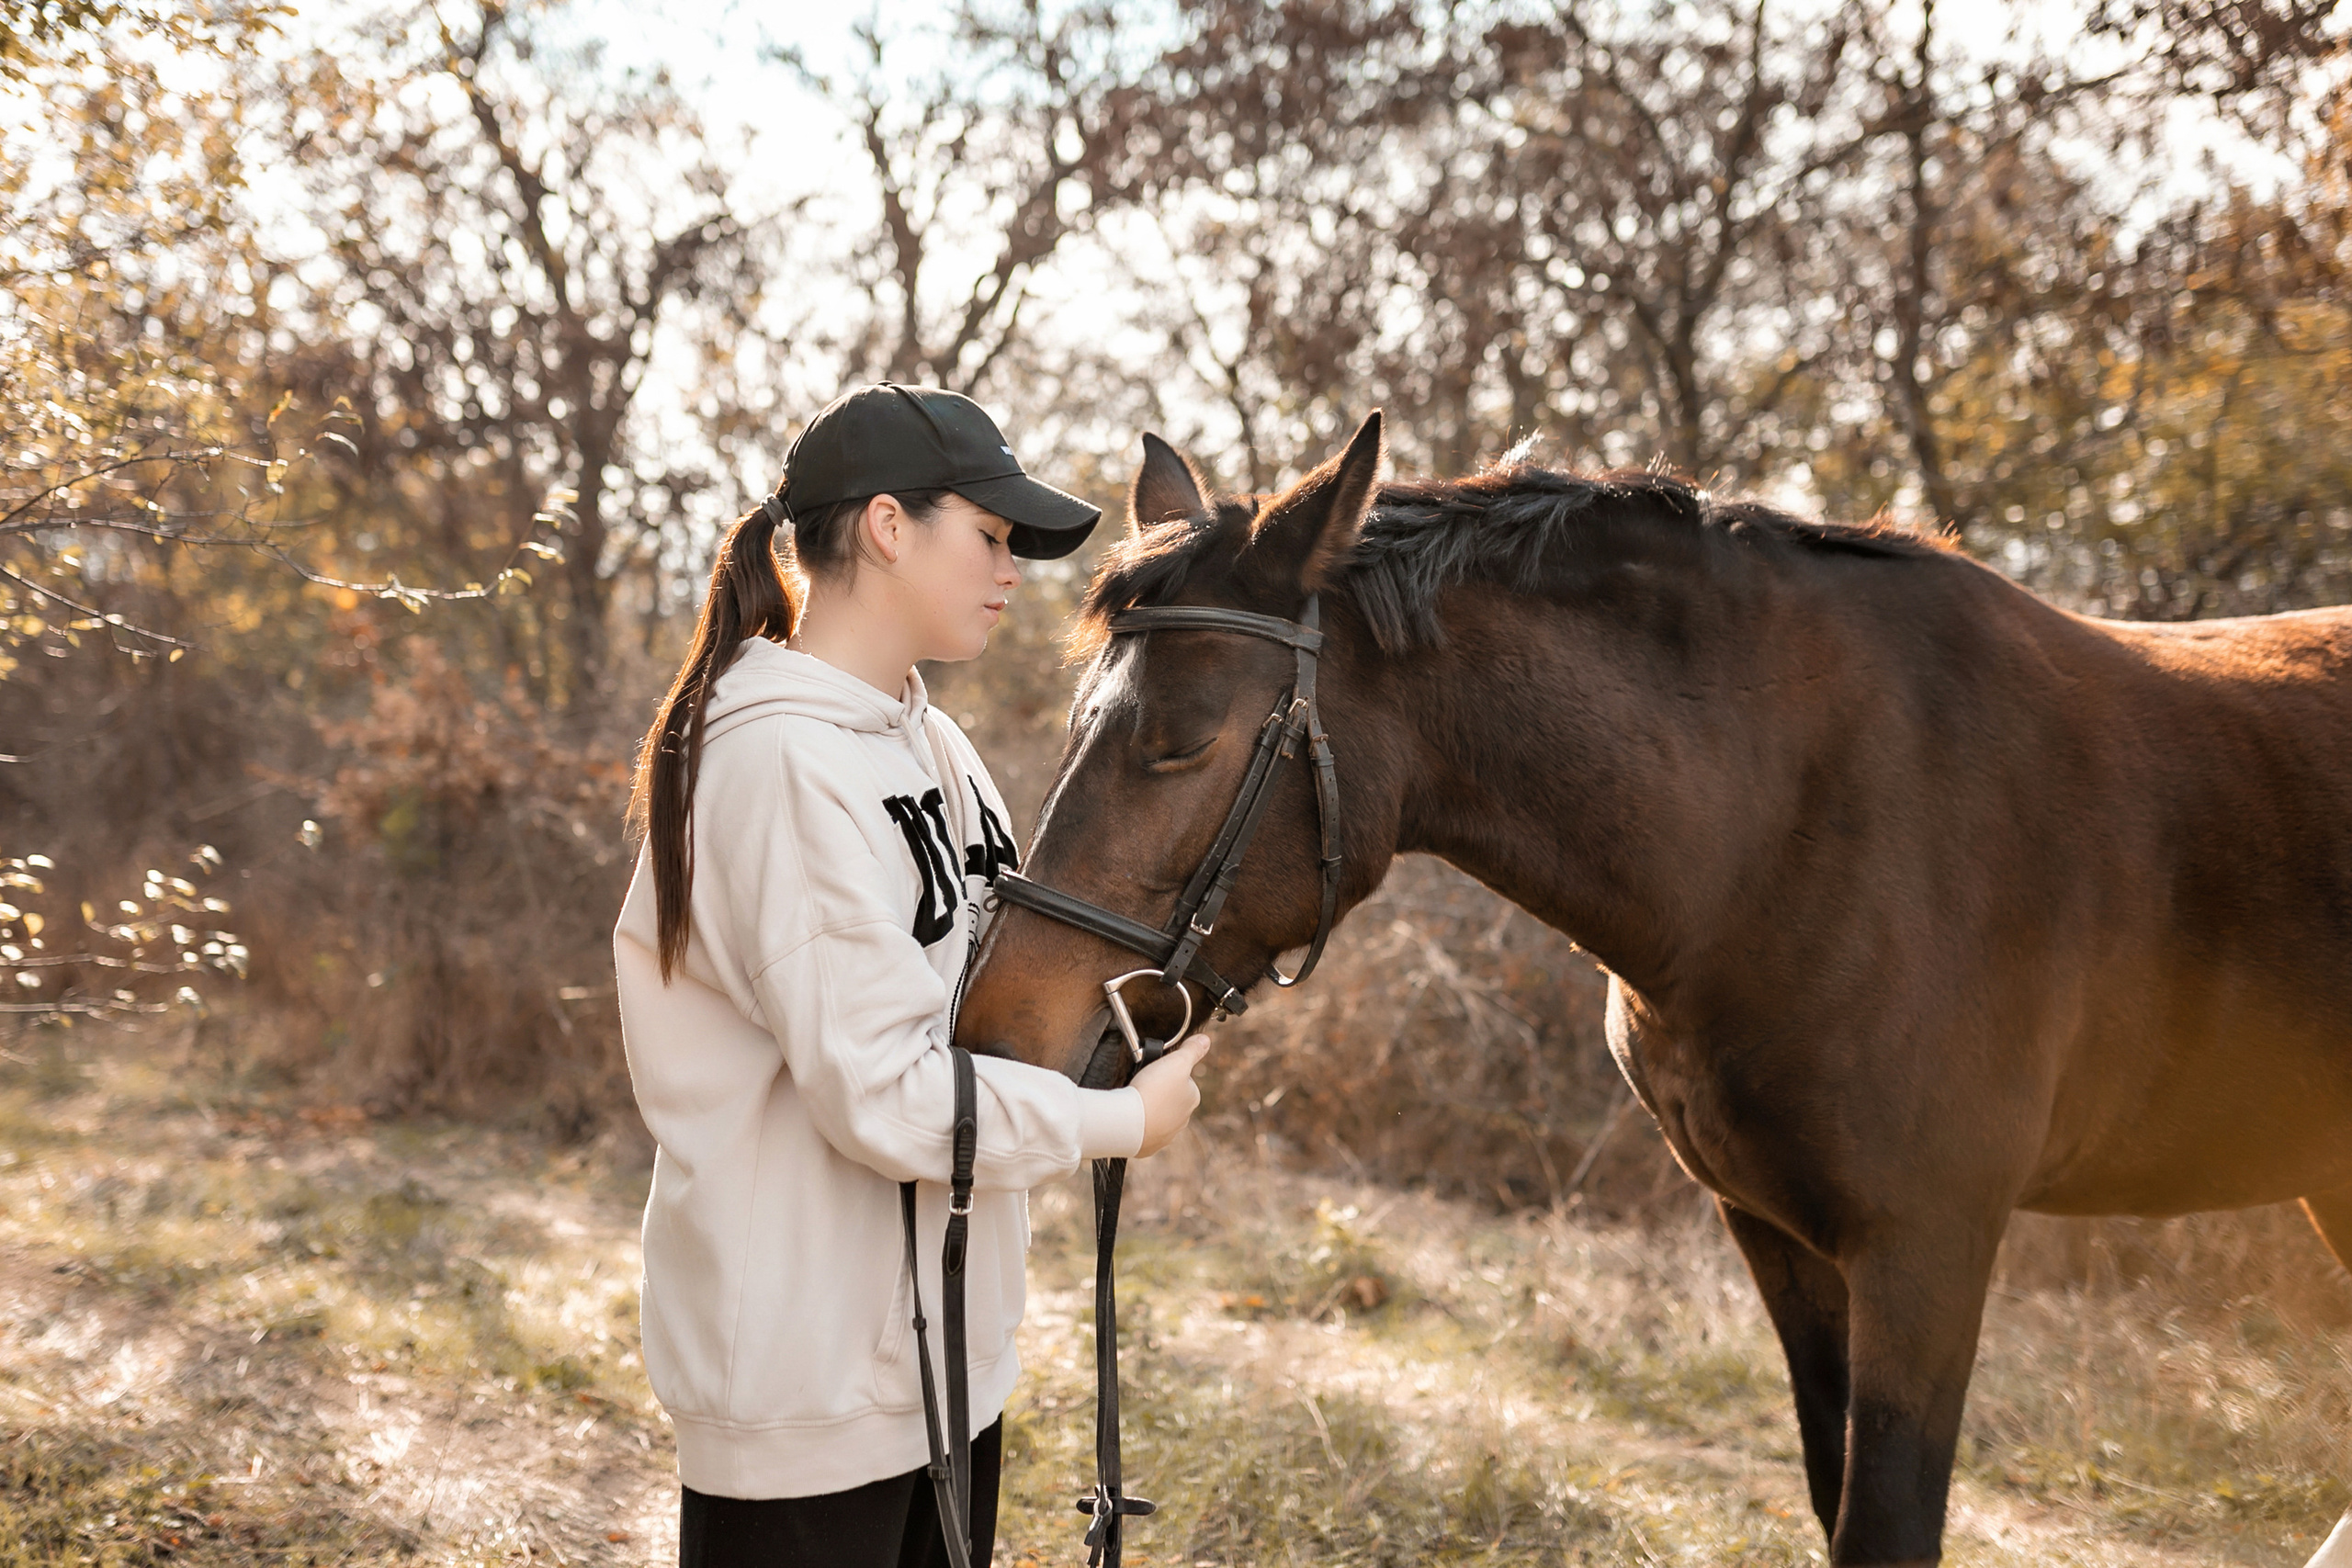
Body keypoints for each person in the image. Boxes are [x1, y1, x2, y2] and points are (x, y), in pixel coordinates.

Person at [614, 384, 1211, 1567]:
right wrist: (1118, 1124)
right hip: (809, 1390)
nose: (1012, 571)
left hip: (944, 1366)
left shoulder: (933, 741)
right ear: (888, 526)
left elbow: (978, 1007)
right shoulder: (777, 761)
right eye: (989, 536)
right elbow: (883, 1095)